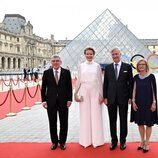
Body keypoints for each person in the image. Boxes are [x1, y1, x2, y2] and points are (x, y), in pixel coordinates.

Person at [103, 48, 133, 150]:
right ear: (111, 55)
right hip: (110, 98)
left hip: (123, 98)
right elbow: (105, 83)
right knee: (112, 120)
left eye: (116, 54)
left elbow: (131, 83)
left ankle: (123, 141)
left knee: (123, 120)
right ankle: (114, 141)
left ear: (120, 54)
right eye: (113, 54)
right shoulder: (108, 68)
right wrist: (105, 97)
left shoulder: (127, 67)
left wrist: (130, 97)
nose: (115, 55)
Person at [74, 47, 104, 148]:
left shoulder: (97, 66)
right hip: (84, 91)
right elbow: (78, 81)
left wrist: (101, 95)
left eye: (91, 54)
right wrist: (75, 94)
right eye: (87, 54)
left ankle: (97, 140)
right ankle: (85, 140)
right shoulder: (81, 66)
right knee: (85, 115)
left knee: (96, 115)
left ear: (94, 54)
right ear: (84, 54)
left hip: (95, 91)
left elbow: (100, 81)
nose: (89, 55)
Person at [41, 55, 72, 150]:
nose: (55, 62)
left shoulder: (66, 72)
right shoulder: (47, 73)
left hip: (63, 102)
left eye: (57, 61)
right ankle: (54, 142)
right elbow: (43, 88)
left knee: (64, 122)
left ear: (60, 62)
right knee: (52, 122)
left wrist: (69, 99)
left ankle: (62, 142)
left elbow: (69, 87)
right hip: (51, 102)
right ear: (51, 62)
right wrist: (44, 100)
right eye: (53, 61)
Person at [130, 59, 158, 153]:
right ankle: (142, 141)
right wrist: (133, 102)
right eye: (139, 64)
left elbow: (154, 90)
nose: (141, 66)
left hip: (149, 103)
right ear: (137, 67)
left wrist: (154, 103)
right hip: (139, 104)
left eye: (143, 64)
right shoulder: (136, 77)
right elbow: (134, 90)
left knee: (149, 123)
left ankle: (147, 143)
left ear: (146, 66)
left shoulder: (151, 77)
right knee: (140, 123)